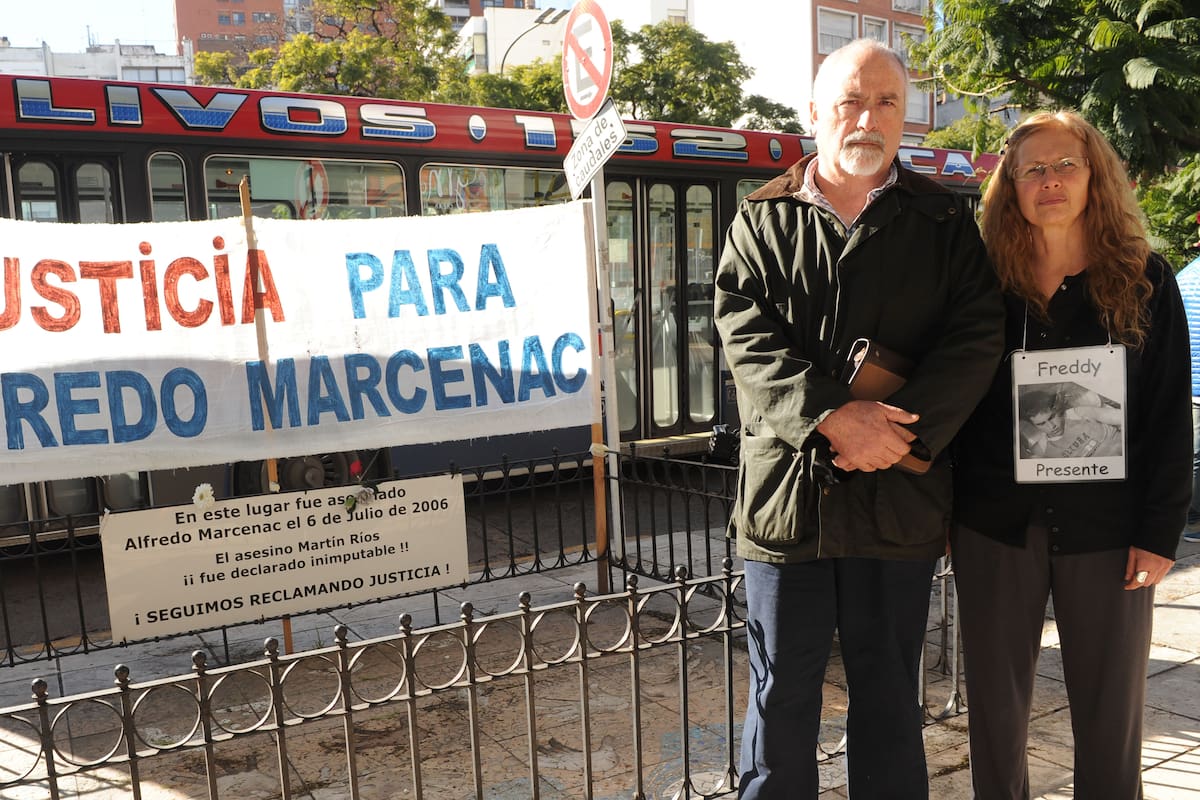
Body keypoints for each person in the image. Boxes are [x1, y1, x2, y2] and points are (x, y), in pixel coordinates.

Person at [713, 39, 1004, 799]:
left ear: (905, 117)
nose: (867, 119)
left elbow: (976, 338)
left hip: (897, 499)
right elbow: (744, 335)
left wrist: (897, 436)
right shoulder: (761, 218)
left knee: (889, 698)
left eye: (886, 102)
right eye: (850, 100)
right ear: (815, 111)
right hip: (788, 502)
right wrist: (834, 418)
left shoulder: (943, 222)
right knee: (780, 698)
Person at [951, 110, 1191, 799]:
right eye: (1032, 169)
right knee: (995, 714)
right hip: (994, 526)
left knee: (1112, 717)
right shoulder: (981, 281)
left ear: (1095, 177)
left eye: (1066, 165)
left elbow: (1169, 415)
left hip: (1109, 531)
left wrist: (1159, 534)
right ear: (1010, 186)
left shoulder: (1145, 279)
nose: (1050, 181)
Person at [1017, 383, 1122, 459]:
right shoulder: (1041, 449)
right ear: (1034, 426)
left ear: (1057, 410)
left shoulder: (1077, 413)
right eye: (1041, 424)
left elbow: (1121, 417)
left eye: (1052, 417)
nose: (1051, 426)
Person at [1176, 255, 1200, 543]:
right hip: (1194, 386)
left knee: (1191, 454)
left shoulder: (1185, 277)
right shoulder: (1189, 280)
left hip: (1189, 384)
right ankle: (1191, 520)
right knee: (1192, 456)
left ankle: (1191, 519)